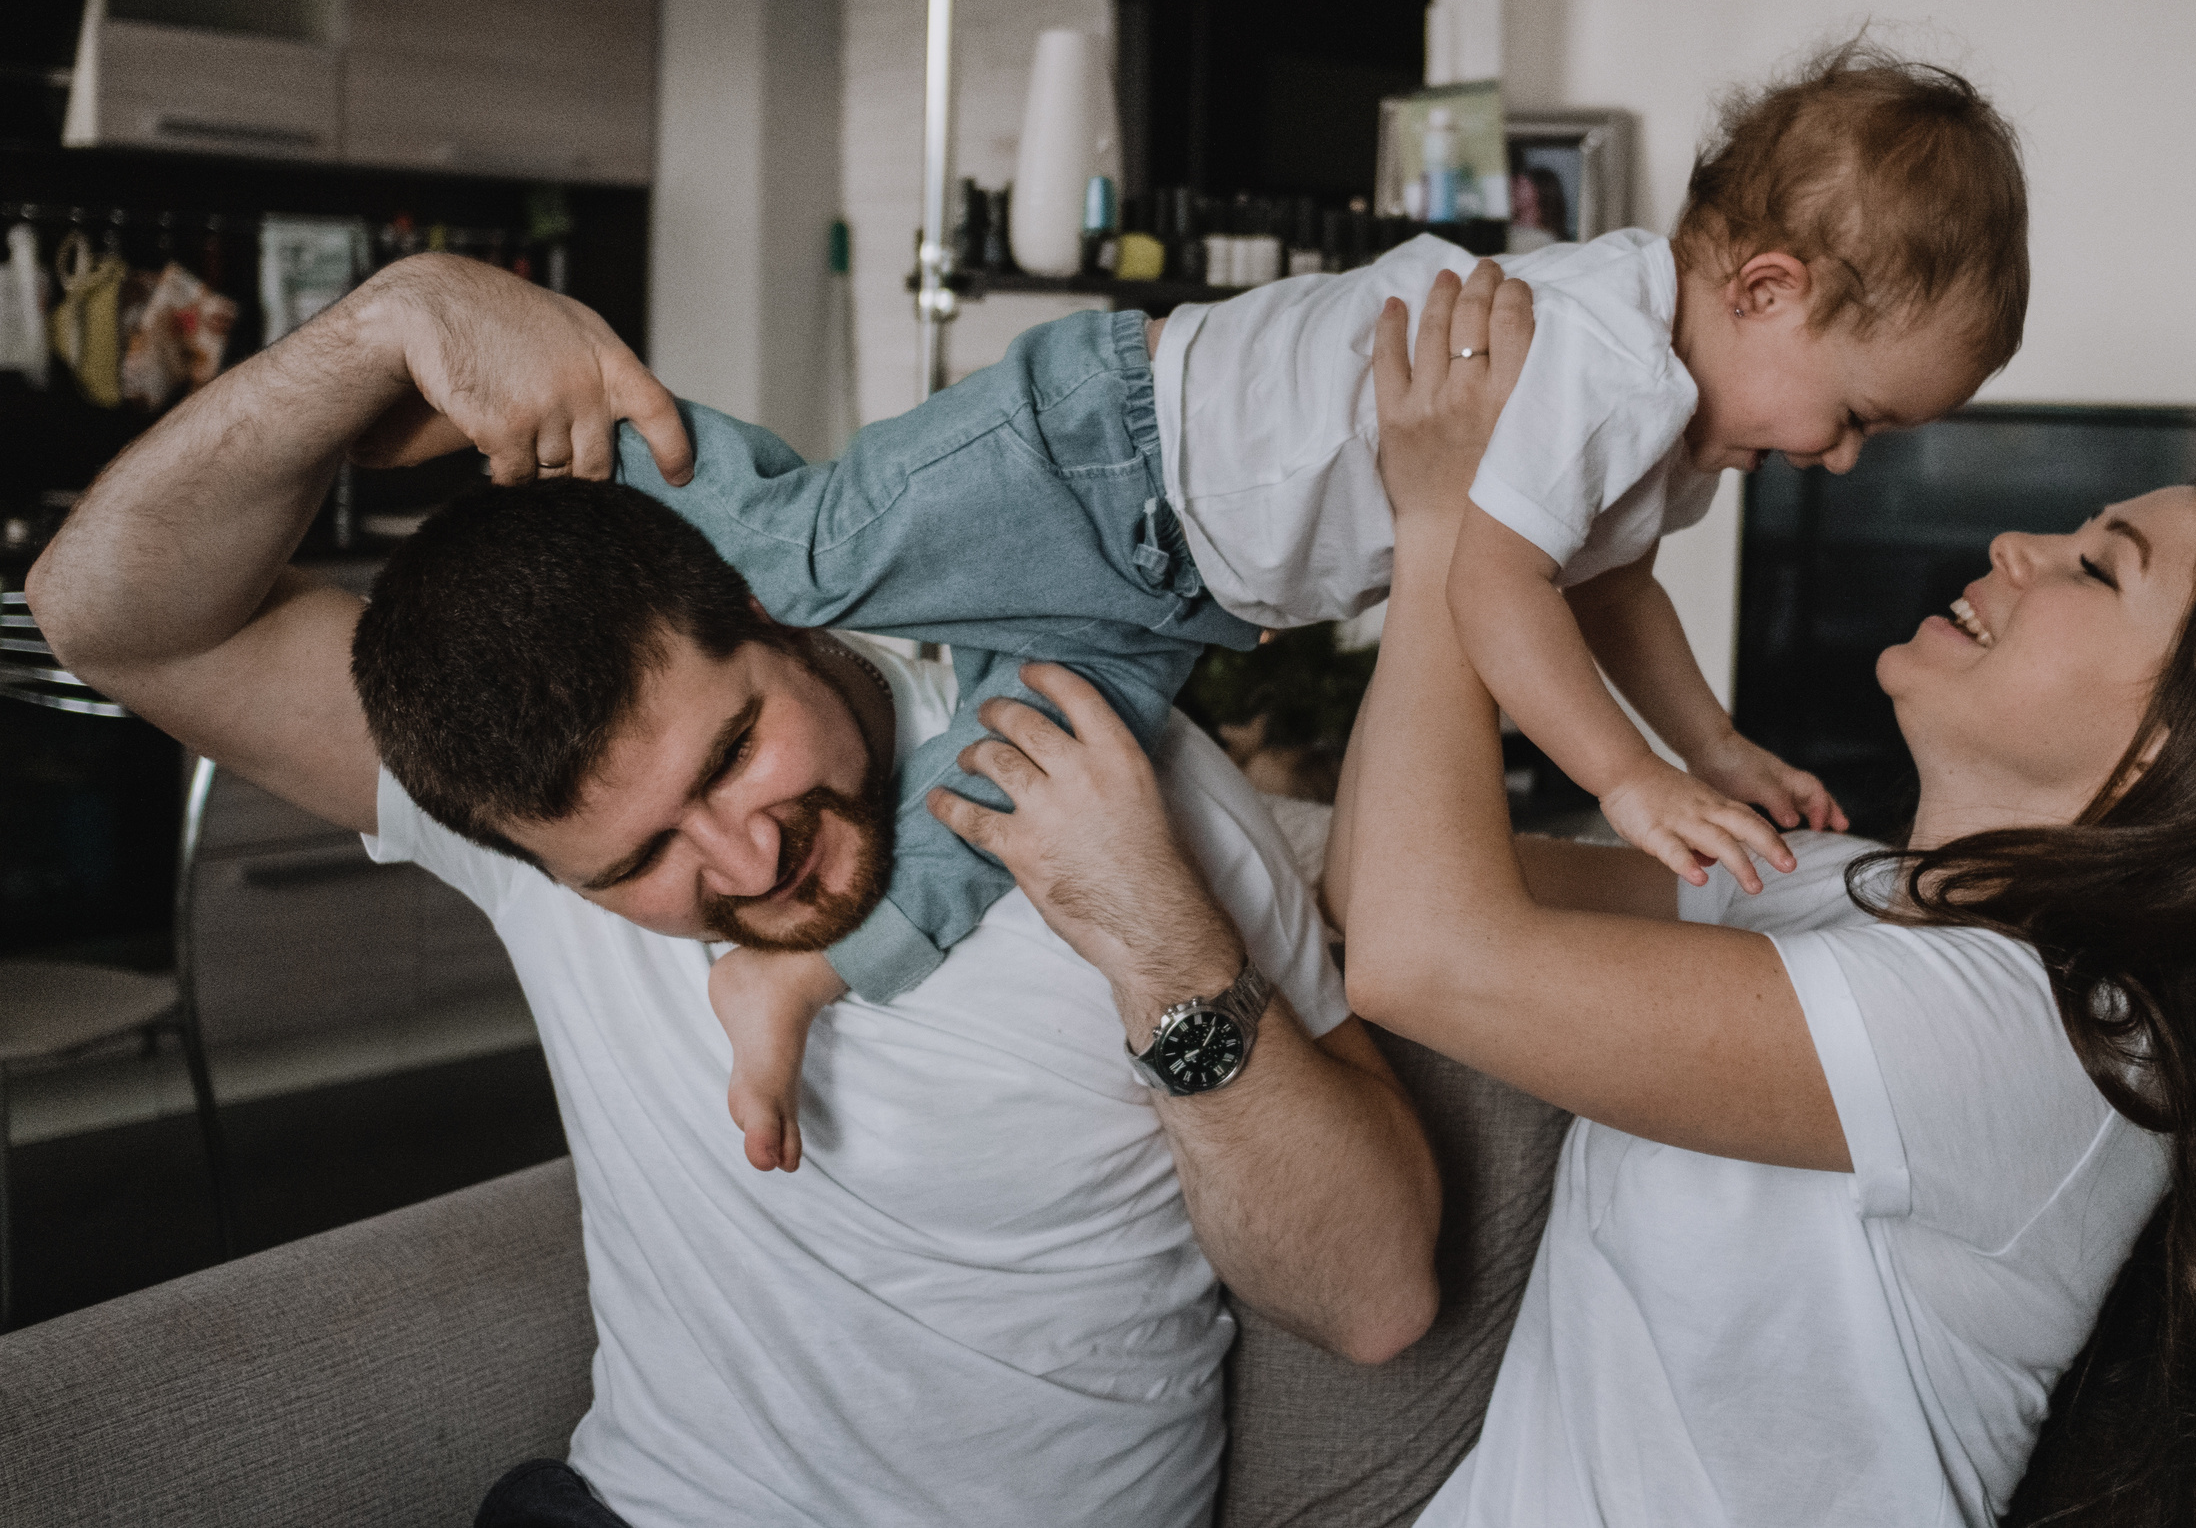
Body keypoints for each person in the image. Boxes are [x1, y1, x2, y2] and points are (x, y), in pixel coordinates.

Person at [963, 264, 2196, 1526]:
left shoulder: (2050, 1041)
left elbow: (1425, 956)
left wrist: (1452, 531)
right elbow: (1384, 886)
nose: (2020, 544)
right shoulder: (1844, 894)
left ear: (2174, 751)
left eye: (2097, 567)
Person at [22, 253, 1441, 1528]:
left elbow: (1375, 1300)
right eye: (641, 863)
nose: (750, 863)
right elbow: (106, 613)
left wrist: (1159, 942)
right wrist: (392, 321)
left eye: (735, 753)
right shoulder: (518, 833)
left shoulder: (1121, 783)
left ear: (766, 609)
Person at [597, 39, 2028, 1166]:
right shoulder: (1607, 359)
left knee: (1008, 801)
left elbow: (1615, 590)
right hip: (1110, 449)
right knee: (797, 558)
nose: (1844, 459)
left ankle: (795, 980)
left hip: (1175, 598)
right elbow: (1493, 583)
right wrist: (1626, 778)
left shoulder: (1678, 444)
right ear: (1768, 289)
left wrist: (1708, 745)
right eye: (1856, 415)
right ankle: (590, 425)